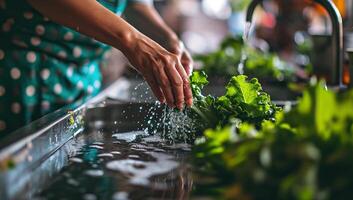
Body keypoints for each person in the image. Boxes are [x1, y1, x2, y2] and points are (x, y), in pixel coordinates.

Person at [0, 0, 193, 135]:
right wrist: (132, 40)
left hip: (84, 80)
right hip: (22, 77)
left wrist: (167, 38)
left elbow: (135, 3)